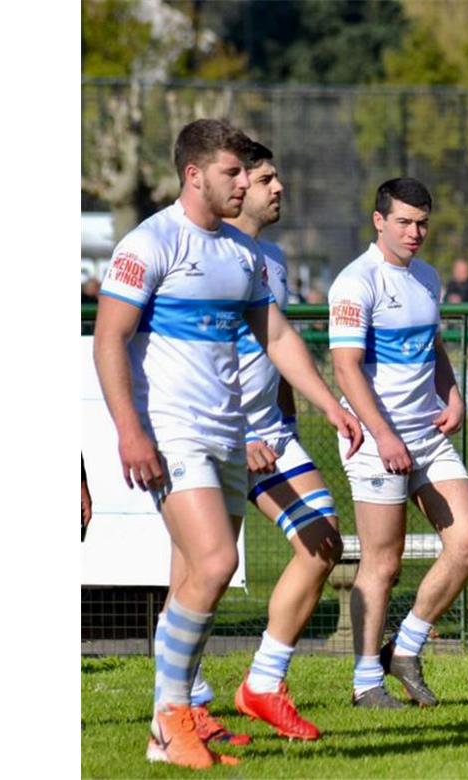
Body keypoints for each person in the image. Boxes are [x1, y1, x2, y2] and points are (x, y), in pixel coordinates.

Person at [93, 119, 362, 769]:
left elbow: (278, 339)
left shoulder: (240, 257)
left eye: (249, 172)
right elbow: (108, 340)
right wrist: (131, 430)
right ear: (195, 175)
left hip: (230, 432)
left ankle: (182, 717)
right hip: (173, 431)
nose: (246, 182)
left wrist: (332, 405)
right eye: (233, 172)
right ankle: (166, 723)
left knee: (196, 578)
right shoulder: (150, 242)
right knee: (215, 564)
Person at [202, 141, 344, 741]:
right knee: (200, 569)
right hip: (217, 432)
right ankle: (184, 701)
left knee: (323, 539)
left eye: (274, 176)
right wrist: (238, 433)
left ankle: (263, 682)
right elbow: (198, 358)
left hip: (272, 436)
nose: (277, 187)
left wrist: (301, 413)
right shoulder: (206, 257)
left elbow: (275, 348)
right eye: (264, 179)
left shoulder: (274, 259)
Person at [328, 177, 468, 709]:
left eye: (422, 223)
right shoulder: (356, 283)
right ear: (379, 221)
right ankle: (365, 681)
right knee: (383, 563)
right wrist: (385, 435)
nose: (415, 232)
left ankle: (406, 648)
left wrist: (454, 392)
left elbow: (433, 345)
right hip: (377, 442)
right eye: (403, 222)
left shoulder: (427, 278)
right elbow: (346, 370)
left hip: (428, 436)